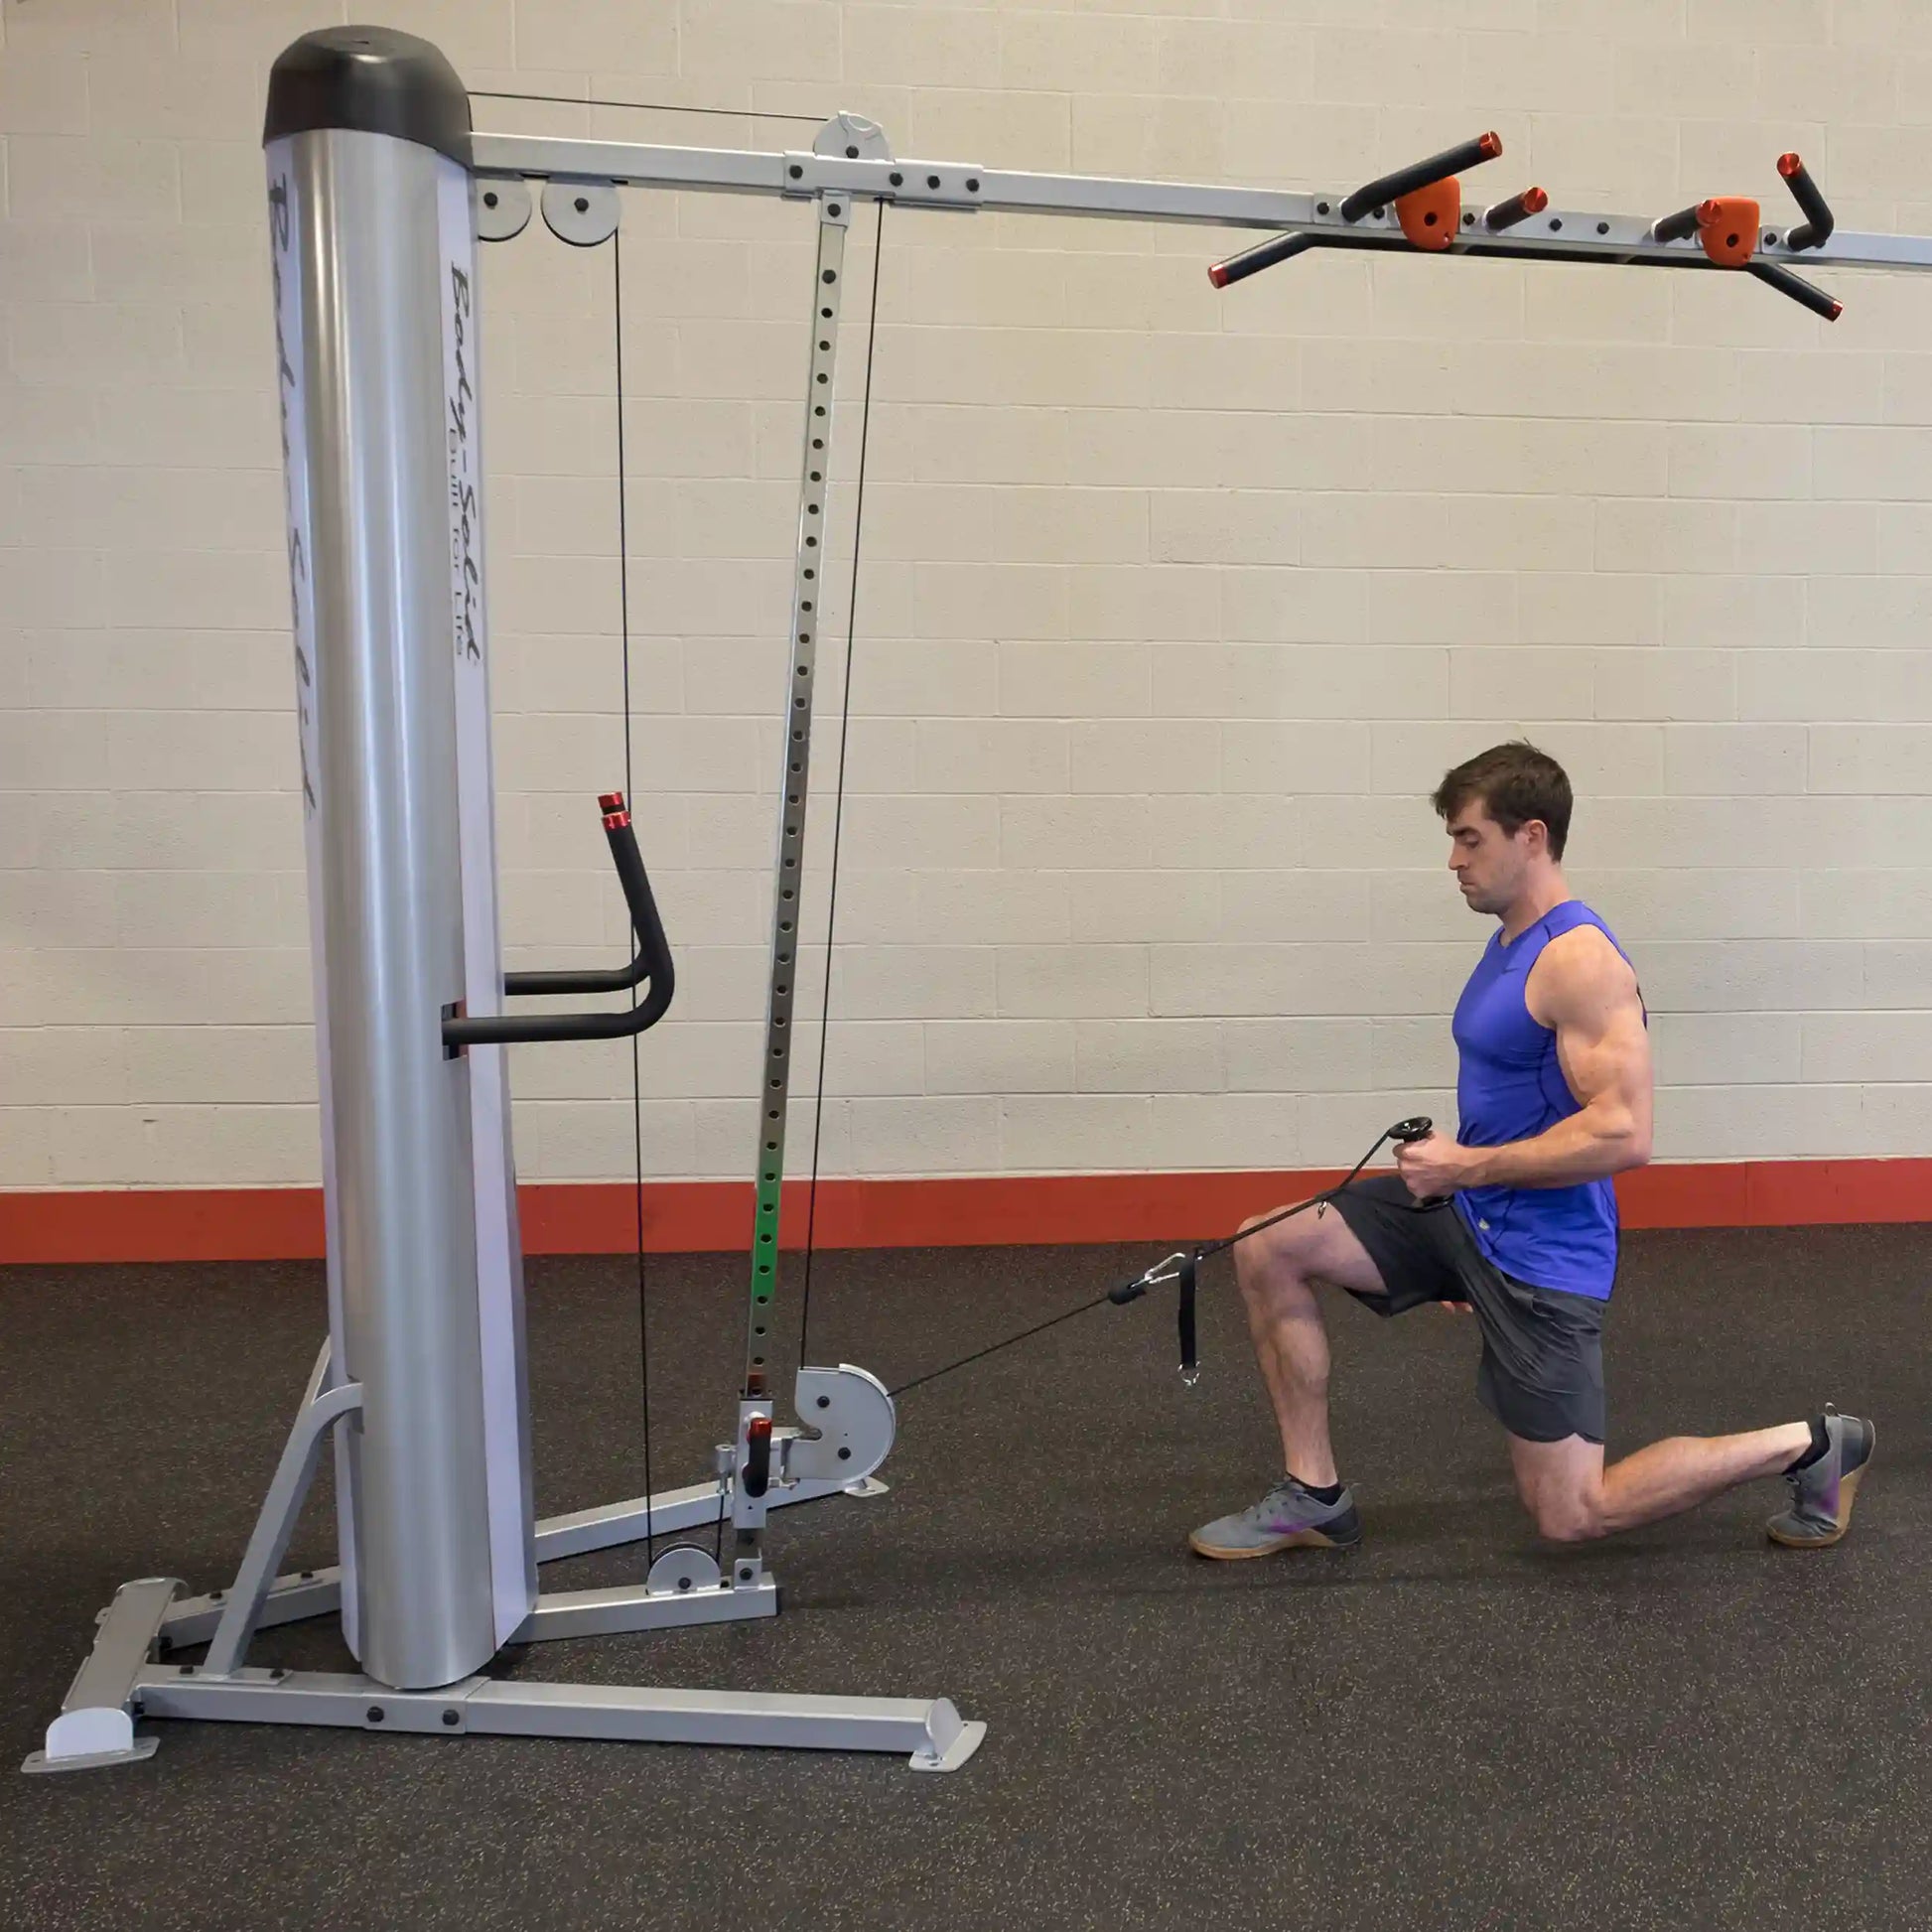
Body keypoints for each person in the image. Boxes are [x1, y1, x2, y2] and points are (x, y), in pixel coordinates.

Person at [1191, 741, 1873, 1559]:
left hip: (1545, 1260)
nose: (1453, 861)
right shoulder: (1512, 939)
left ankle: (1814, 1444)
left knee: (1572, 1514)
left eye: (1470, 839)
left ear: (1533, 837)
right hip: (1469, 1214)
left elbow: (1626, 1133)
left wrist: (1466, 1170)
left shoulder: (1579, 961)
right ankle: (1314, 1495)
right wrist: (1458, 1215)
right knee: (1270, 1242)